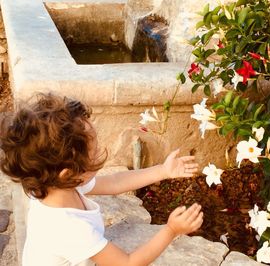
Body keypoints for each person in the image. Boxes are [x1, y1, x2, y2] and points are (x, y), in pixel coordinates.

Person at [0, 93, 203, 266]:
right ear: (67, 172)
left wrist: (163, 170)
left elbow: (116, 183)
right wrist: (171, 230)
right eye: (94, 151)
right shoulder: (68, 227)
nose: (99, 151)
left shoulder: (56, 186)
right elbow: (127, 263)